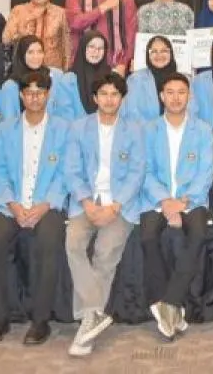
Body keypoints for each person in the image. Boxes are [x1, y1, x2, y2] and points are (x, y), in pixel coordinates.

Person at [0, 70, 70, 346]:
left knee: (49, 244)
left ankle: (41, 321)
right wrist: (14, 205)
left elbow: (66, 173)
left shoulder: (63, 129)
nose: (34, 98)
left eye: (40, 93)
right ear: (21, 95)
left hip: (47, 204)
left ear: (48, 94)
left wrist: (45, 205)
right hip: (12, 204)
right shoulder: (4, 130)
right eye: (29, 93)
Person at [63, 72, 146, 358]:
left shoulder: (134, 129)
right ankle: (93, 313)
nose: (109, 99)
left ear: (122, 98)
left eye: (115, 94)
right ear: (94, 98)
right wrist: (87, 203)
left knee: (105, 251)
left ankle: (88, 322)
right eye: (104, 94)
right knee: (73, 242)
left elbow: (137, 172)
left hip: (120, 204)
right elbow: (71, 170)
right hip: (86, 202)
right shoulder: (79, 128)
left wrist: (115, 205)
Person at [139, 72, 213, 341]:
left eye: (181, 92)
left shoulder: (203, 130)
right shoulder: (148, 130)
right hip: (157, 199)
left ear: (189, 96)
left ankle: (170, 302)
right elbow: (145, 171)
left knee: (198, 234)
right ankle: (166, 305)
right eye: (169, 92)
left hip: (191, 200)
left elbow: (205, 172)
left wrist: (183, 202)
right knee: (147, 236)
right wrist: (165, 201)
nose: (175, 98)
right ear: (161, 96)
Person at [65, 0, 138, 75]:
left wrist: (123, 63)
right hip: (82, 65)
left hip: (115, 66)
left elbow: (131, 34)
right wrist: (103, 7)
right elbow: (75, 23)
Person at [0, 35, 76, 124]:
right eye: (30, 52)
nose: (36, 56)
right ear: (22, 55)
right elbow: (9, 120)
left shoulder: (56, 76)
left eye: (40, 52)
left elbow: (66, 111)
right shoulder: (11, 85)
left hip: (55, 129)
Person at [4, 0, 70, 69]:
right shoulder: (18, 11)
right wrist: (21, 34)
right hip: (24, 69)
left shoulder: (61, 13)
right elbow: (6, 39)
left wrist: (66, 70)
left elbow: (67, 44)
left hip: (52, 69)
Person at [124, 35, 178, 124]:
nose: (159, 55)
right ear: (148, 55)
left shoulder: (184, 80)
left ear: (171, 53)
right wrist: (152, 129)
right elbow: (130, 112)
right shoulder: (135, 80)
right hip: (143, 131)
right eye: (154, 51)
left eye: (164, 51)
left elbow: (191, 110)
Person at [60, 31, 113, 117]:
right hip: (75, 125)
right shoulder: (68, 80)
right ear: (83, 47)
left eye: (100, 48)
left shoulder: (111, 78)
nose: (96, 52)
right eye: (91, 47)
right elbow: (65, 117)